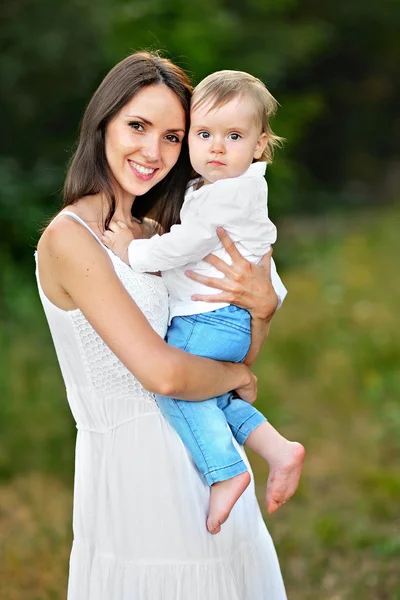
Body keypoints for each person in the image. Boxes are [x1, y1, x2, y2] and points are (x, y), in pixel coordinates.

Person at [36, 51, 289, 599]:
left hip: (210, 459)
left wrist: (262, 310)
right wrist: (235, 383)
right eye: (138, 126)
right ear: (102, 121)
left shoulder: (162, 230)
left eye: (174, 136)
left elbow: (236, 354)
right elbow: (167, 375)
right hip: (137, 481)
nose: (153, 151)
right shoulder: (69, 239)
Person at [102, 69, 305, 535]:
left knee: (177, 387)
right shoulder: (221, 190)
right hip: (227, 322)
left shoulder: (227, 195)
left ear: (259, 145)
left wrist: (130, 251)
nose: (216, 147)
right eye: (204, 133)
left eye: (233, 135)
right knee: (213, 397)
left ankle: (226, 471)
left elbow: (183, 246)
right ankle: (277, 447)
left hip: (206, 320)